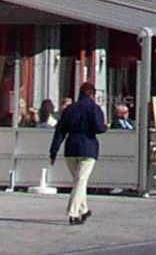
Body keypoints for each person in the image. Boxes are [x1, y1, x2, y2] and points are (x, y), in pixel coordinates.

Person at [50, 81, 109, 225]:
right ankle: (73, 212)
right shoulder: (94, 109)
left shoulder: (70, 109)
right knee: (81, 181)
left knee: (78, 181)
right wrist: (104, 127)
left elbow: (60, 131)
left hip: (71, 148)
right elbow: (100, 128)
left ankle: (84, 209)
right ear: (91, 94)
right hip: (88, 148)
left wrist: (53, 151)